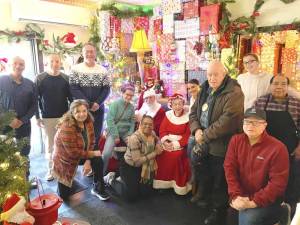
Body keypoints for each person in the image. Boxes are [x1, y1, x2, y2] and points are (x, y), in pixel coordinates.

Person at [189, 60, 244, 225]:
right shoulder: (204, 88)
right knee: (205, 173)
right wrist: (196, 130)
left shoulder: (234, 92)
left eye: (216, 74)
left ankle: (218, 213)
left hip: (222, 145)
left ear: (224, 74)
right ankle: (206, 200)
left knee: (220, 182)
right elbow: (193, 113)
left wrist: (203, 135)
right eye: (209, 74)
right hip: (203, 139)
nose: (212, 78)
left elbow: (227, 122)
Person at [224, 107, 289, 225]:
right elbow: (229, 169)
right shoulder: (235, 141)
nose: (250, 126)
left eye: (256, 122)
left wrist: (252, 202)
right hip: (241, 194)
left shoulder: (278, 148)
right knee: (231, 217)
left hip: (267, 200)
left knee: (247, 219)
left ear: (265, 125)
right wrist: (236, 195)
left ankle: (282, 212)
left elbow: (277, 184)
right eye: (247, 122)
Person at [253, 75, 300, 212]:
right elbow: (251, 123)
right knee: (262, 183)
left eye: (283, 84)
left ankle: (285, 213)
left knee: (288, 186)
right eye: (276, 83)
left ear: (288, 87)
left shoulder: (296, 104)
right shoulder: (261, 102)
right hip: (263, 152)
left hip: (289, 152)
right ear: (270, 85)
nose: (279, 87)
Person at [52, 99, 110, 201]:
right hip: (65, 158)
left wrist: (88, 160)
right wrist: (90, 155)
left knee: (98, 159)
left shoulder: (88, 121)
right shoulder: (67, 127)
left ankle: (98, 188)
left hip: (83, 150)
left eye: (84, 111)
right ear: (72, 113)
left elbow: (92, 142)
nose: (82, 114)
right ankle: (64, 184)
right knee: (64, 196)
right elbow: (73, 153)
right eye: (77, 112)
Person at [104, 115, 163, 202]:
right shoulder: (134, 138)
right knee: (130, 196)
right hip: (129, 166)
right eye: (145, 124)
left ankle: (124, 180)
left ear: (153, 126)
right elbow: (137, 161)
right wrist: (155, 153)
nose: (148, 126)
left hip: (143, 167)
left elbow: (158, 139)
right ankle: (110, 179)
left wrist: (158, 143)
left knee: (145, 194)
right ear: (140, 124)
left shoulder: (152, 133)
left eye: (150, 124)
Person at [35, 54, 72, 181]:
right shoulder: (40, 78)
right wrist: (37, 117)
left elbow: (71, 98)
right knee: (50, 145)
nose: (54, 63)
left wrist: (70, 115)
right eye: (52, 61)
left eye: (57, 61)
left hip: (64, 116)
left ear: (60, 63)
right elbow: (36, 99)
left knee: (64, 143)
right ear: (47, 62)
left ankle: (64, 168)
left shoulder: (66, 78)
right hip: (48, 117)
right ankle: (50, 169)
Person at [0, 56, 37, 179]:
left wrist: (22, 120)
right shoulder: (1, 81)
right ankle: (9, 184)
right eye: (15, 63)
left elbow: (34, 105)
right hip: (5, 126)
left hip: (24, 125)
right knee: (6, 154)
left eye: (21, 64)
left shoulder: (30, 84)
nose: (18, 66)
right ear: (10, 65)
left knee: (24, 152)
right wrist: (9, 119)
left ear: (24, 66)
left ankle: (25, 180)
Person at [69, 43, 110, 149]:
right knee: (82, 135)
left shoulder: (102, 70)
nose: (89, 54)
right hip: (81, 110)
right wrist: (88, 104)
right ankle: (84, 161)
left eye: (92, 51)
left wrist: (98, 103)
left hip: (98, 109)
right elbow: (74, 88)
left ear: (95, 53)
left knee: (95, 136)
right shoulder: (75, 69)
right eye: (86, 51)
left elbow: (106, 89)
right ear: (82, 54)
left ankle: (92, 161)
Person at [153, 93, 191, 195]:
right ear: (171, 105)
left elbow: (188, 135)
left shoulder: (188, 117)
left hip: (180, 145)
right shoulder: (168, 115)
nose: (177, 107)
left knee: (176, 156)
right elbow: (162, 130)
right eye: (175, 104)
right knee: (160, 154)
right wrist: (165, 141)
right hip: (167, 142)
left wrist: (175, 144)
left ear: (183, 104)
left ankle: (175, 184)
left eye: (180, 104)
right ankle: (163, 183)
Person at [102, 83, 136, 175]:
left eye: (131, 95)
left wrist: (130, 134)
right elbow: (110, 120)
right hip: (114, 131)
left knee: (134, 147)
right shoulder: (115, 104)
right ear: (122, 93)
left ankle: (131, 173)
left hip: (126, 132)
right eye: (127, 94)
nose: (129, 97)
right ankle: (101, 174)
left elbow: (132, 122)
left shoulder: (131, 107)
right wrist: (116, 135)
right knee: (106, 154)